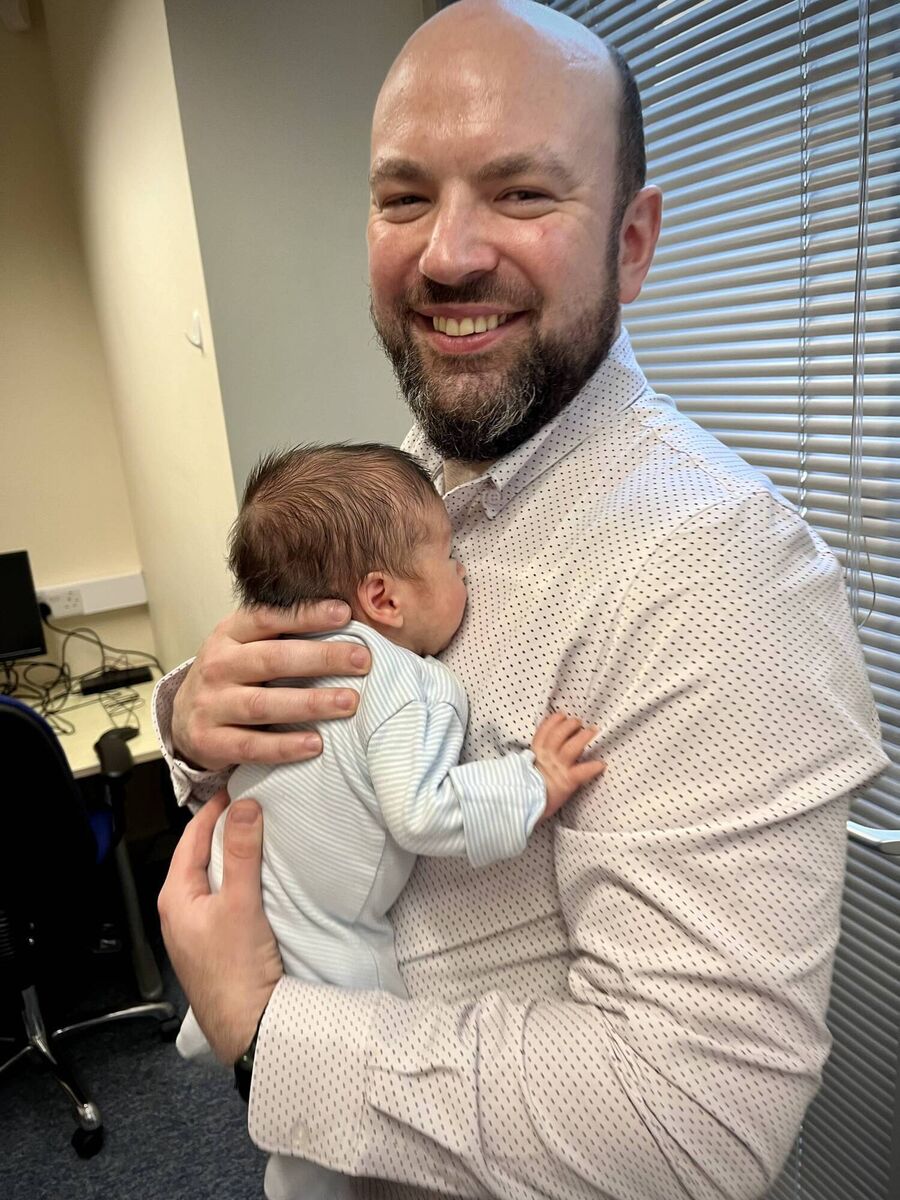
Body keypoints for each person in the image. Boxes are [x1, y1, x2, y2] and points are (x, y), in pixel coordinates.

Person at [155, 3, 889, 1199]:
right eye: (405, 197)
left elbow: (692, 1125)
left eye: (522, 192)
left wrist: (266, 1034)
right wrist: (197, 721)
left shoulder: (726, 576)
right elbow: (314, 734)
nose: (447, 254)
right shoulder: (410, 479)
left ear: (632, 243)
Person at [175, 441, 603, 1200]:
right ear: (384, 597)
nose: (464, 570)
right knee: (323, 1103)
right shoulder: (408, 683)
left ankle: (206, 1029)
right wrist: (531, 783)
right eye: (450, 556)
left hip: (238, 882)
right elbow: (422, 812)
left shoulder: (285, 658)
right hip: (327, 935)